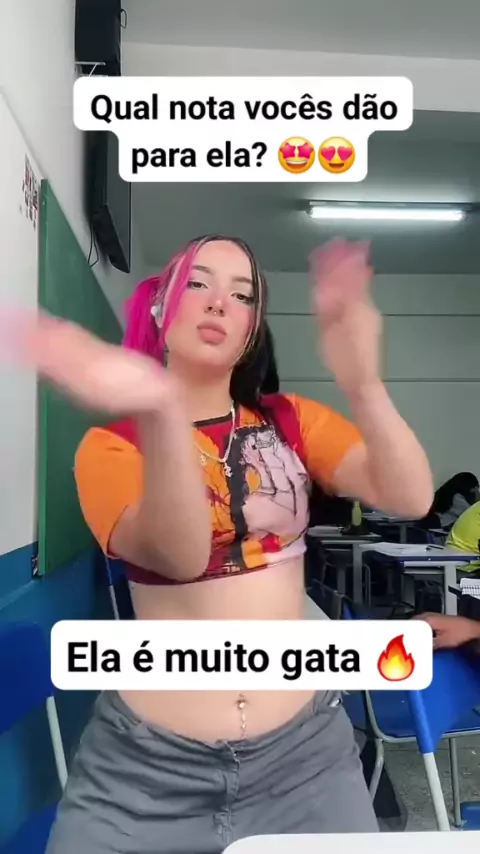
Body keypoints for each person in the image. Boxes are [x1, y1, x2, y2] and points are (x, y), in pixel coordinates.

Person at [8, 235, 434, 853]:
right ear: (161, 306)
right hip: (146, 771)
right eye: (199, 283)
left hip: (305, 757)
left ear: (252, 329)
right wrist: (162, 408)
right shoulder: (112, 447)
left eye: (242, 295)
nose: (218, 303)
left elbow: (412, 497)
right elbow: (180, 556)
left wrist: (363, 382)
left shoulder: (291, 421)